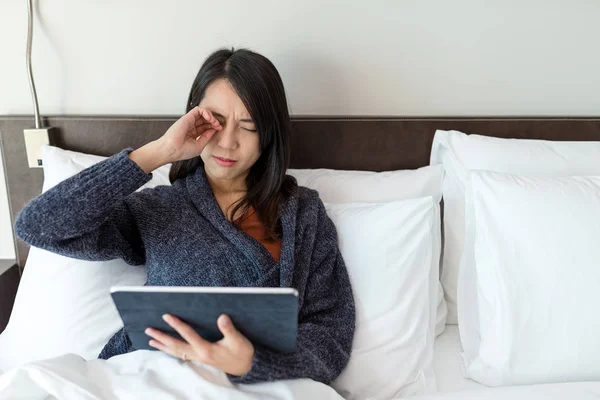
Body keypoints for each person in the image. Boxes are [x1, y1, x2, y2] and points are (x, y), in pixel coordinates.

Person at [14, 48, 355, 385]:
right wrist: (160, 151)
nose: (228, 142)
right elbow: (39, 226)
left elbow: (331, 337)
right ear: (193, 119)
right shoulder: (159, 208)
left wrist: (251, 361)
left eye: (249, 126)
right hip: (154, 379)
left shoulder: (304, 215)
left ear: (268, 135)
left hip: (260, 385)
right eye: (216, 122)